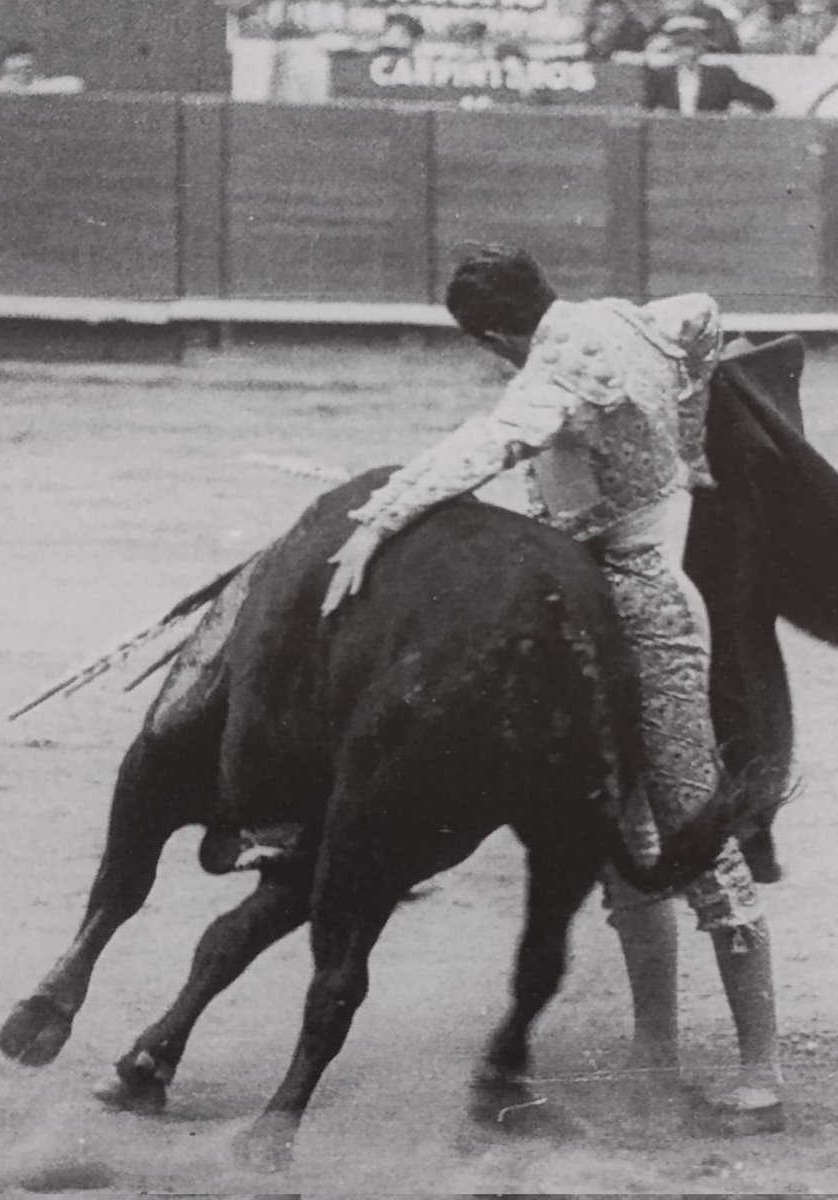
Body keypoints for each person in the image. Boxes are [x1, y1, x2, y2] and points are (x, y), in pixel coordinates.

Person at [322, 246, 784, 1132]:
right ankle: (656, 1058)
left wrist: (376, 522)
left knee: (693, 840)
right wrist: (686, 449)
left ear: (496, 335)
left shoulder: (557, 369)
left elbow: (486, 444)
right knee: (622, 840)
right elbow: (701, 313)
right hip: (590, 614)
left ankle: (761, 1070)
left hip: (644, 620)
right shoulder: (620, 316)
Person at [644, 13, 776, 113]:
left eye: (692, 45)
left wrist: (741, 113)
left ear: (701, 47)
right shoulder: (659, 78)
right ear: (671, 48)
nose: (686, 52)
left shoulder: (722, 77)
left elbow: (765, 102)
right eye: (681, 45)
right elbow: (643, 109)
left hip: (712, 142)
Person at [0, 42, 84, 95]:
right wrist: (6, 89)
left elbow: (75, 84)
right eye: (17, 59)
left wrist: (26, 91)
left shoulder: (41, 86)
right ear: (2, 65)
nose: (23, 65)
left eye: (27, 61)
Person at [583, 0, 652, 60]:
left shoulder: (636, 32)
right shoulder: (591, 34)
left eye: (607, 17)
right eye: (599, 17)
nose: (601, 22)